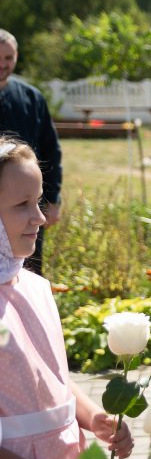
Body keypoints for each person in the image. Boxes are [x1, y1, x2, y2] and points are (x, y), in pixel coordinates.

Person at [0, 136, 133, 459]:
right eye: (22, 204)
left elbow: (50, 379)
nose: (41, 217)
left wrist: (92, 416)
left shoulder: (33, 287)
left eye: (39, 200)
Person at [0, 29, 63, 276]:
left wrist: (52, 200)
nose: (2, 64)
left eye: (8, 58)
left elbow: (51, 150)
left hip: (26, 202)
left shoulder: (31, 98)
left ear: (16, 57)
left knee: (29, 271)